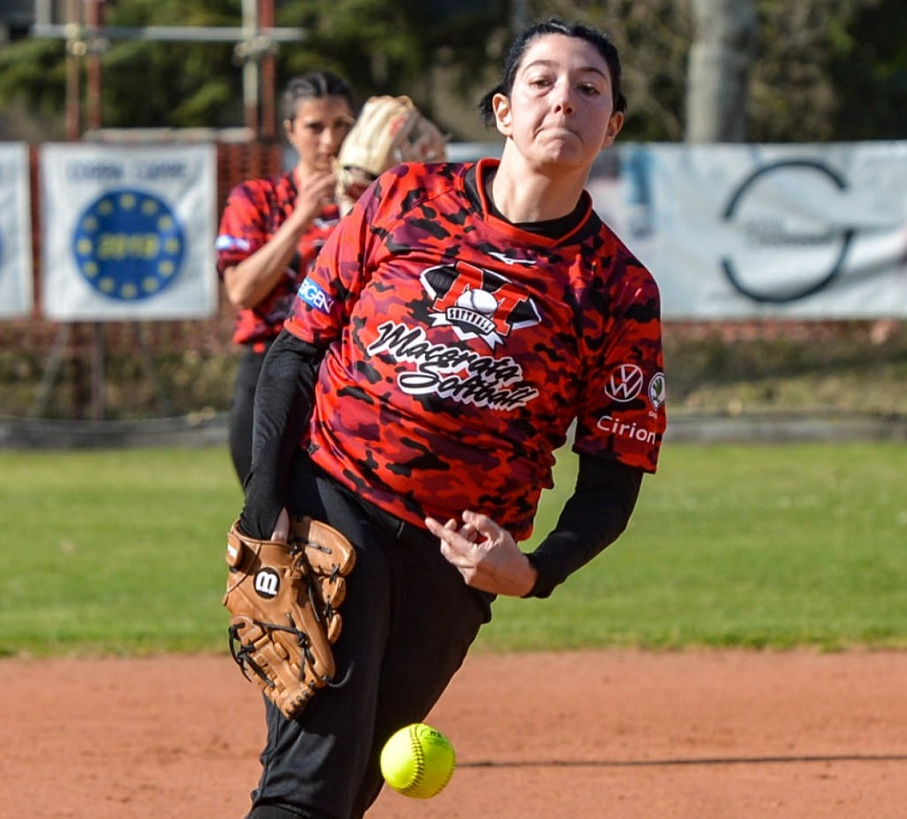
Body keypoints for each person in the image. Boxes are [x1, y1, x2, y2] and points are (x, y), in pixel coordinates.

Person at [236, 18, 666, 819]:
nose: (561, 99)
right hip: (337, 505)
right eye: (540, 80)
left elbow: (614, 473)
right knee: (308, 786)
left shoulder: (616, 288)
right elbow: (294, 351)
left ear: (611, 126)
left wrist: (535, 572)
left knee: (349, 784)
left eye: (588, 87)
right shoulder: (404, 202)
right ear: (503, 110)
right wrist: (267, 505)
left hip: (456, 559)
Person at [216, 71, 357, 486]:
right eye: (315, 127)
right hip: (270, 365)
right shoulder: (257, 200)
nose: (330, 141)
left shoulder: (375, 203)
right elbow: (241, 291)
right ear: (291, 131)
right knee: (269, 528)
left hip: (347, 371)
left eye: (342, 125)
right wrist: (300, 218)